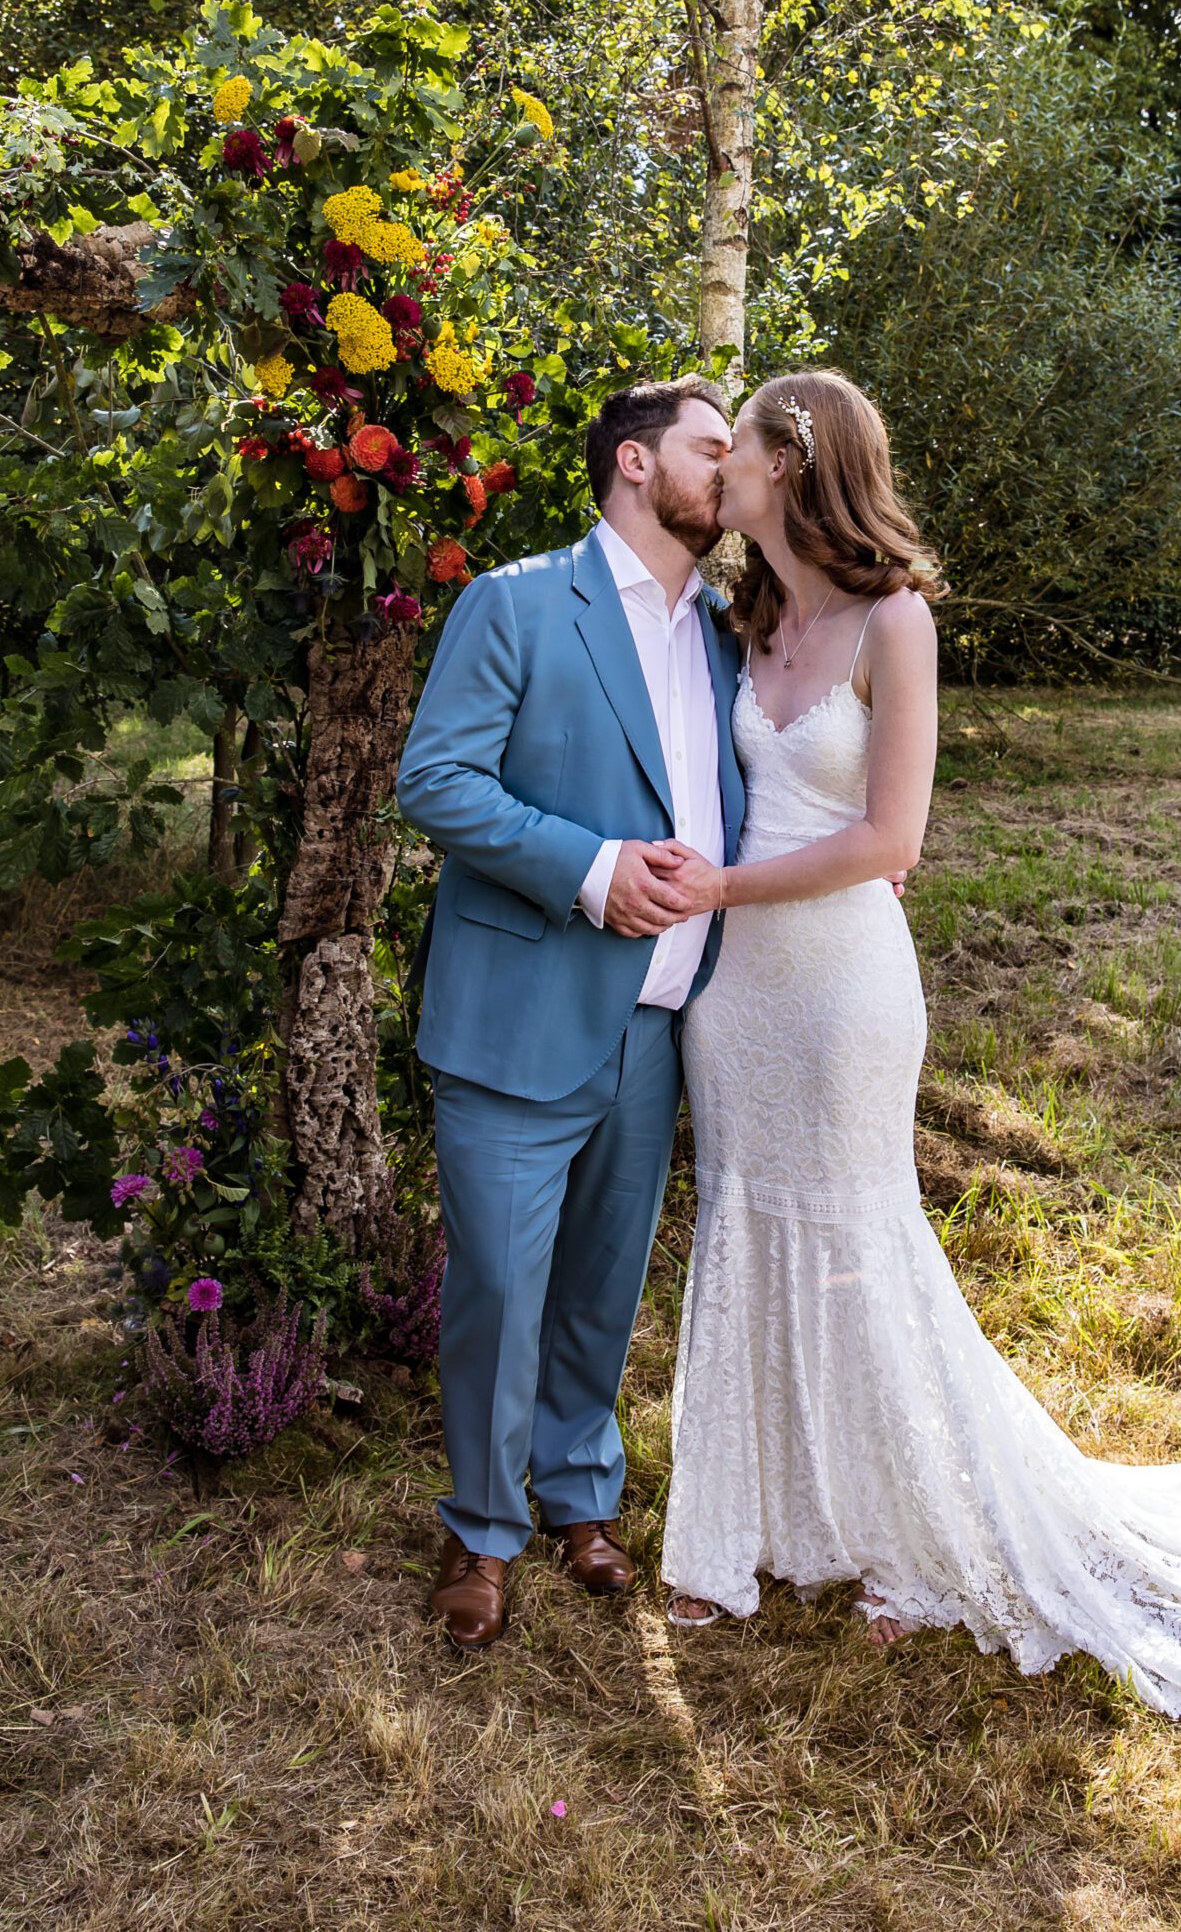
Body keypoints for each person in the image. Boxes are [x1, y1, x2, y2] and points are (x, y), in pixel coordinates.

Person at [647, 366, 1181, 1721]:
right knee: (748, 1221)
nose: (716, 472)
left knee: (857, 1239)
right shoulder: (742, 621)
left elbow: (889, 840)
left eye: (731, 449)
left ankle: (904, 1536)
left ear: (789, 464)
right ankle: (751, 1527)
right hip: (736, 997)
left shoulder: (890, 621)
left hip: (842, 987)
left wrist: (722, 886)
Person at [394, 375, 744, 1650]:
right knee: (498, 1281)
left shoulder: (724, 634)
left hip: (659, 1020)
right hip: (519, 1003)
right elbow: (433, 778)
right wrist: (593, 870)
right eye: (716, 446)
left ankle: (578, 1495)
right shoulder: (519, 600)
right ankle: (481, 1529)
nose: (736, 468)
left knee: (604, 1280)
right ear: (637, 464)